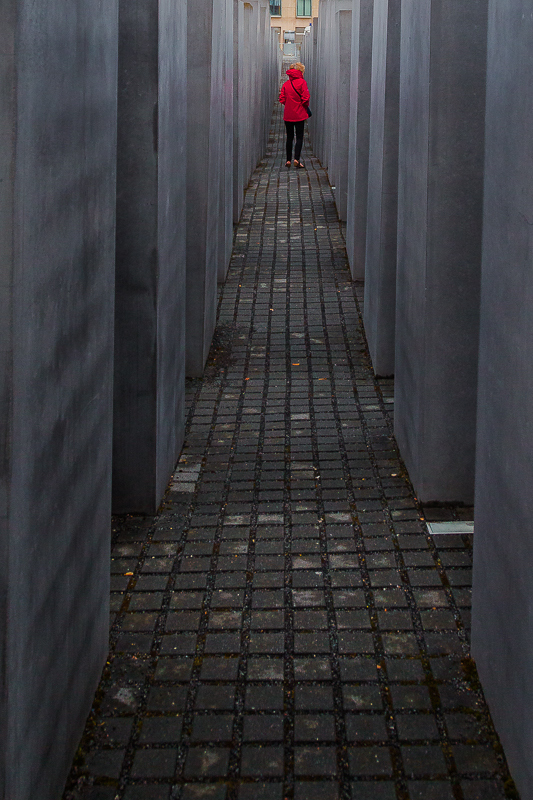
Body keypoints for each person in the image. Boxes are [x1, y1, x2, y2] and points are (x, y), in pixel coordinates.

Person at [279, 62, 310, 169]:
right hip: (299, 114)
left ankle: (288, 160)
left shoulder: (286, 84)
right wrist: (302, 106)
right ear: (301, 72)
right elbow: (306, 98)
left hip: (288, 115)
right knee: (300, 137)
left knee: (289, 137)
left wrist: (289, 105)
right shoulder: (302, 83)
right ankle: (296, 159)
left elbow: (282, 99)